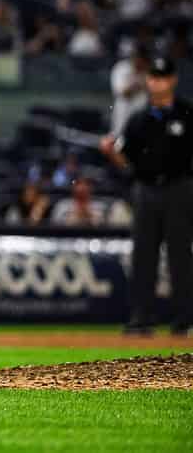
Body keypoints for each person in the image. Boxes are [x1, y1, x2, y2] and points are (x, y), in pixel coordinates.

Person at [100, 55, 193, 336]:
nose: (157, 82)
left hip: (180, 188)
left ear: (173, 80)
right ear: (148, 81)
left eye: (162, 77)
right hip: (145, 189)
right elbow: (125, 161)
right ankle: (142, 318)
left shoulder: (187, 115)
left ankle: (184, 320)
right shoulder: (138, 119)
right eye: (153, 77)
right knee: (144, 255)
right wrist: (111, 153)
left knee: (180, 256)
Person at [110, 46, 149, 134]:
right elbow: (123, 93)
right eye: (138, 57)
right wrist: (139, 83)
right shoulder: (121, 68)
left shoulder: (149, 71)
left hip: (142, 112)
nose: (140, 62)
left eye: (143, 59)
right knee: (120, 138)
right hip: (124, 112)